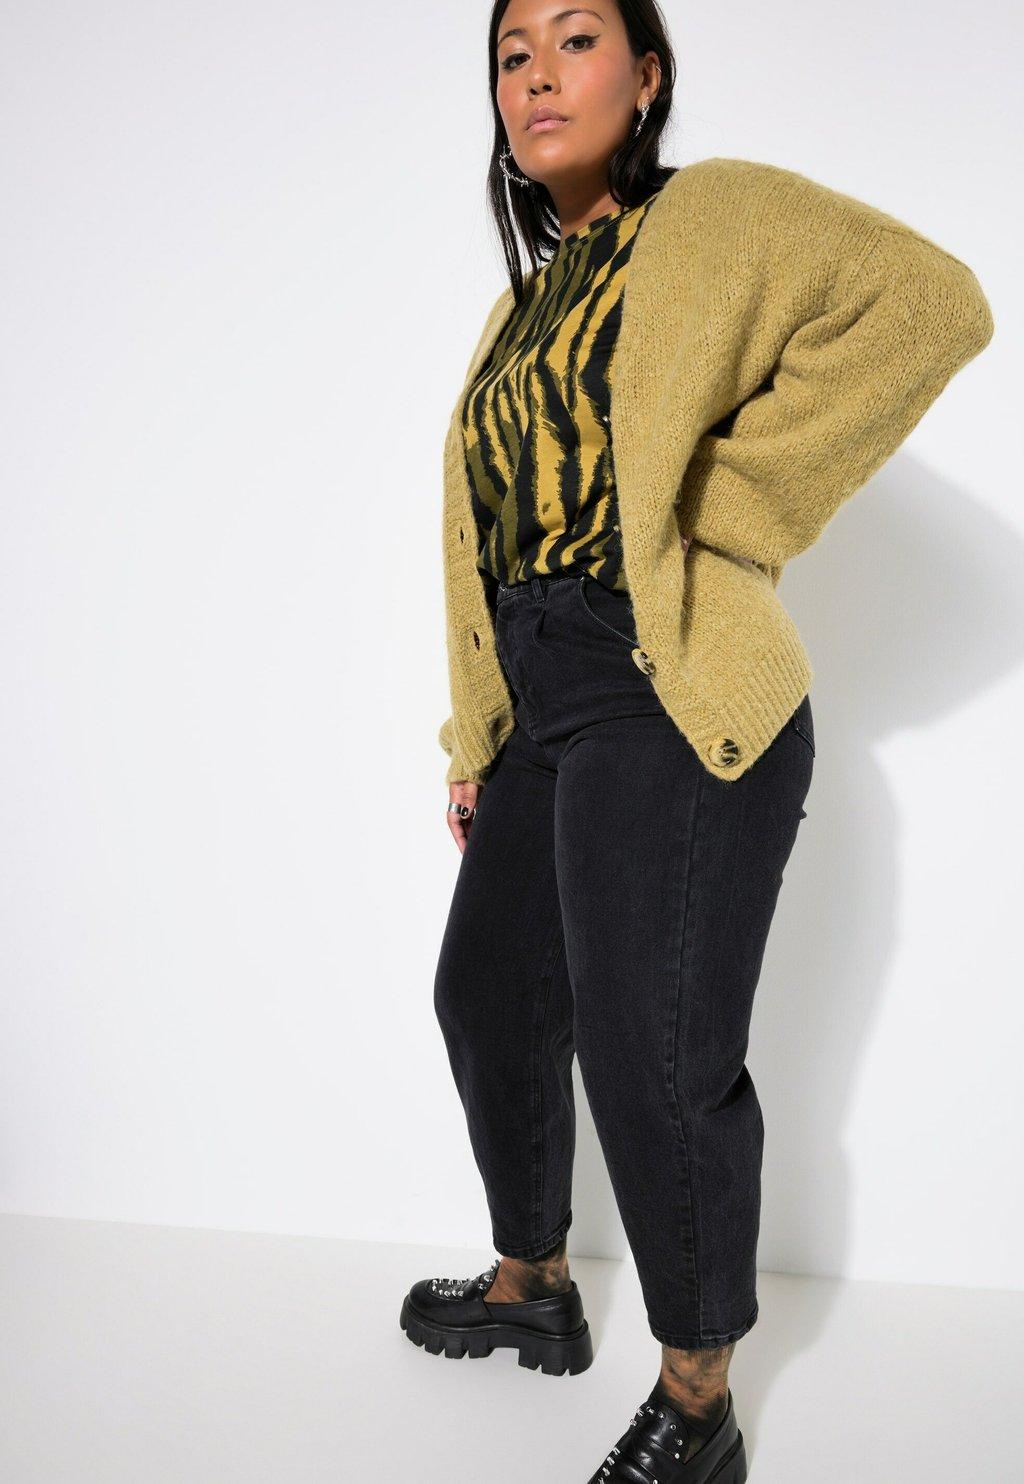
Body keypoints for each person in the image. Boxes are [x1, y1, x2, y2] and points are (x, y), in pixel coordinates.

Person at [398, 2, 994, 1479]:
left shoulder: (712, 218)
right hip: (539, 699)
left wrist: (730, 505)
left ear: (647, 75)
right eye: (512, 53)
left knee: (652, 1049)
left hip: (666, 679)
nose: (537, 74)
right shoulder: (516, 312)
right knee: (488, 996)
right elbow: (493, 538)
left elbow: (934, 302)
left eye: (575, 40)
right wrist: (479, 731)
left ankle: (698, 1398)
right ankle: (535, 1285)